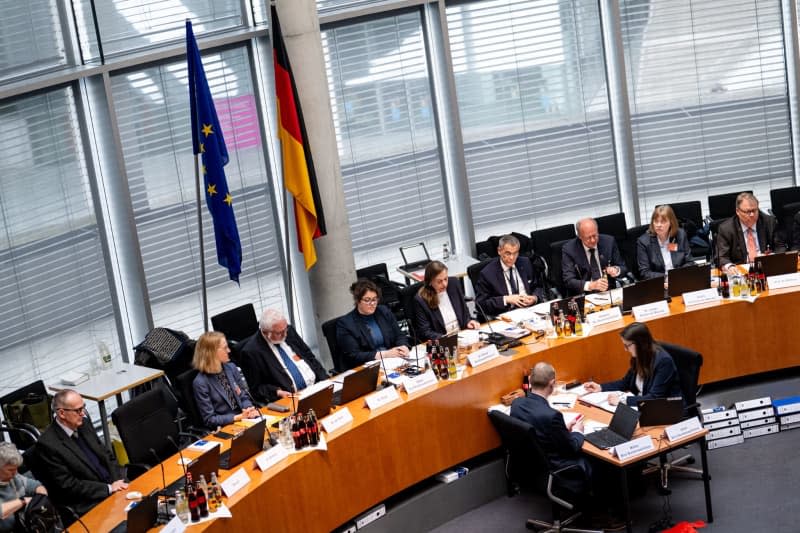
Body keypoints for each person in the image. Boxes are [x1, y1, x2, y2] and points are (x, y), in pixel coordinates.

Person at [32, 389, 127, 523]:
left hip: (115, 484)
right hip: (90, 501)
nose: (83, 413)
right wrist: (109, 489)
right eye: (78, 410)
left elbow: (106, 455)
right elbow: (69, 486)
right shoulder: (48, 445)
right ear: (62, 413)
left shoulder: (84, 423)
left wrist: (118, 481)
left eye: (83, 408)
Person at [510, 362, 589, 492]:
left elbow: (539, 429)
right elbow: (572, 447)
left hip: (530, 467)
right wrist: (577, 432)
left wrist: (561, 428)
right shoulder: (552, 416)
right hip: (555, 467)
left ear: (530, 380)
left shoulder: (517, 404)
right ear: (552, 384)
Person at [239, 309, 329, 403]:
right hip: (292, 400)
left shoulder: (288, 331)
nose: (285, 334)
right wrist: (277, 392)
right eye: (279, 333)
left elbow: (309, 357)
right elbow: (257, 389)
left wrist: (325, 380)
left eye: (285, 329)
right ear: (266, 332)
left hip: (317, 387)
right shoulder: (251, 352)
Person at [583, 322, 681, 407]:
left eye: (627, 345)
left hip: (663, 410)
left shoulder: (663, 362)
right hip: (641, 405)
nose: (625, 349)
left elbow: (654, 398)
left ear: (640, 344)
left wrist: (623, 401)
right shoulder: (639, 357)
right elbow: (625, 382)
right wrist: (600, 387)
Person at [336, 279, 410, 370]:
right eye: (367, 300)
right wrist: (385, 354)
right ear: (358, 300)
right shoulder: (346, 324)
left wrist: (403, 346)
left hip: (393, 362)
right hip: (368, 367)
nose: (372, 304)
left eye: (375, 299)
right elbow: (354, 356)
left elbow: (399, 335)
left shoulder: (383, 311)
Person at [192, 331, 260, 428]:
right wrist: (238, 417)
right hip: (227, 427)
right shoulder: (200, 383)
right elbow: (210, 419)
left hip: (247, 419)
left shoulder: (231, 368)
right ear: (212, 353)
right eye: (225, 348)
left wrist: (249, 409)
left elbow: (243, 396)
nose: (229, 350)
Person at [475, 234, 545, 317]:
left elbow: (537, 286)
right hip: (506, 316)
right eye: (508, 253)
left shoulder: (525, 263)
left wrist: (534, 298)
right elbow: (481, 304)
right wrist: (506, 299)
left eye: (515, 253)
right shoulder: (487, 273)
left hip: (530, 311)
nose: (512, 258)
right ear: (499, 251)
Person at [716, 192, 784, 274]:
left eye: (755, 210)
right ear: (737, 211)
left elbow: (780, 247)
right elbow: (721, 256)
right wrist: (729, 267)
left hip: (767, 268)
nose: (752, 215)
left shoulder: (769, 222)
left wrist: (773, 256)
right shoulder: (726, 229)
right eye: (748, 211)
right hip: (740, 271)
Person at [413, 260, 480, 342]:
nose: (444, 284)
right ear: (430, 282)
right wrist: (448, 339)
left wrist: (468, 322)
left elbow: (464, 313)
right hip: (444, 341)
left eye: (445, 279)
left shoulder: (454, 284)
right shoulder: (421, 300)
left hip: (463, 336)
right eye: (439, 281)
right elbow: (425, 331)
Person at [562, 218, 627, 295]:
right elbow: (569, 280)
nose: (593, 240)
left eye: (595, 235)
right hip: (585, 294)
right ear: (580, 236)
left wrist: (616, 270)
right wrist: (591, 285)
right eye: (588, 238)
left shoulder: (609, 242)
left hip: (609, 291)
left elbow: (623, 267)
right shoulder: (569, 249)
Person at [0, 442, 47, 532]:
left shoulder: (14, 475)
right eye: (10, 470)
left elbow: (36, 486)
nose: (15, 473)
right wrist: (23, 501)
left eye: (16, 468)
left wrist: (41, 497)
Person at [636, 205, 692, 279]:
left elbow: (689, 262)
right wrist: (667, 278)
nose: (658, 225)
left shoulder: (680, 235)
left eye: (663, 222)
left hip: (680, 278)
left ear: (671, 222)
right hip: (658, 283)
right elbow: (645, 272)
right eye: (656, 221)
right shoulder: (643, 242)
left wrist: (677, 275)